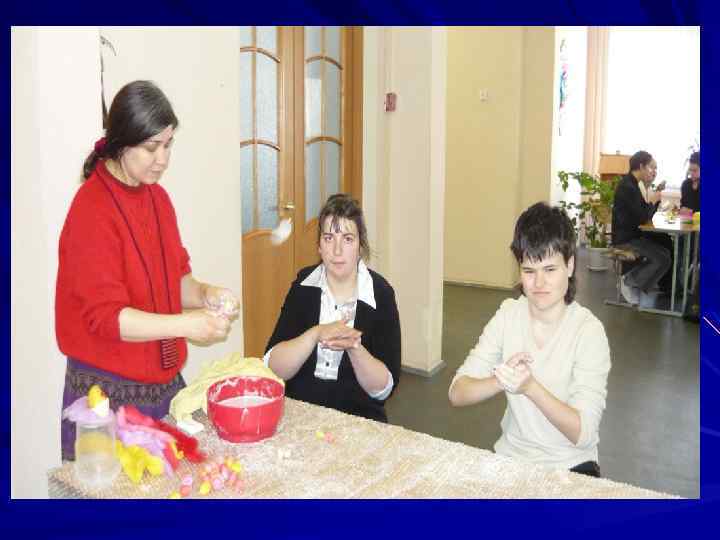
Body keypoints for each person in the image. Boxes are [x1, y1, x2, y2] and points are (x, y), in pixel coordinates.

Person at [56, 80, 239, 461]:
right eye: (151, 147)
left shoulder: (158, 199)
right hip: (105, 399)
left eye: (168, 145)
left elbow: (176, 280)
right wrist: (187, 325)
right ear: (122, 143)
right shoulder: (91, 209)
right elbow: (109, 318)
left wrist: (205, 294)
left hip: (163, 387)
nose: (163, 159)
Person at [448, 203, 611, 477]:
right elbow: (457, 392)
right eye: (529, 271)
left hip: (571, 464)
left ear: (570, 265)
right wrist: (500, 380)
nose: (539, 283)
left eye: (550, 269)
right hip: (512, 457)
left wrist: (530, 387)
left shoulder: (588, 332)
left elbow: (583, 434)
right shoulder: (508, 314)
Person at [264, 194, 401, 423]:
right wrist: (315, 334)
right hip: (301, 412)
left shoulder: (381, 294)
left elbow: (383, 389)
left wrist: (355, 348)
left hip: (359, 418)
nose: (337, 250)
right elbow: (273, 369)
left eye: (347, 239)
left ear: (360, 246)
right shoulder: (303, 285)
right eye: (329, 238)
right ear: (319, 246)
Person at [611, 150, 672, 305]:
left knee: (665, 254)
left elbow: (645, 213)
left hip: (635, 236)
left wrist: (654, 199)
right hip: (626, 239)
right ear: (641, 166)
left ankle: (636, 284)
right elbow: (643, 217)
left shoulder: (633, 184)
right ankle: (629, 281)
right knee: (662, 258)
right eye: (651, 167)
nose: (653, 171)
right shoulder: (627, 187)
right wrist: (653, 201)